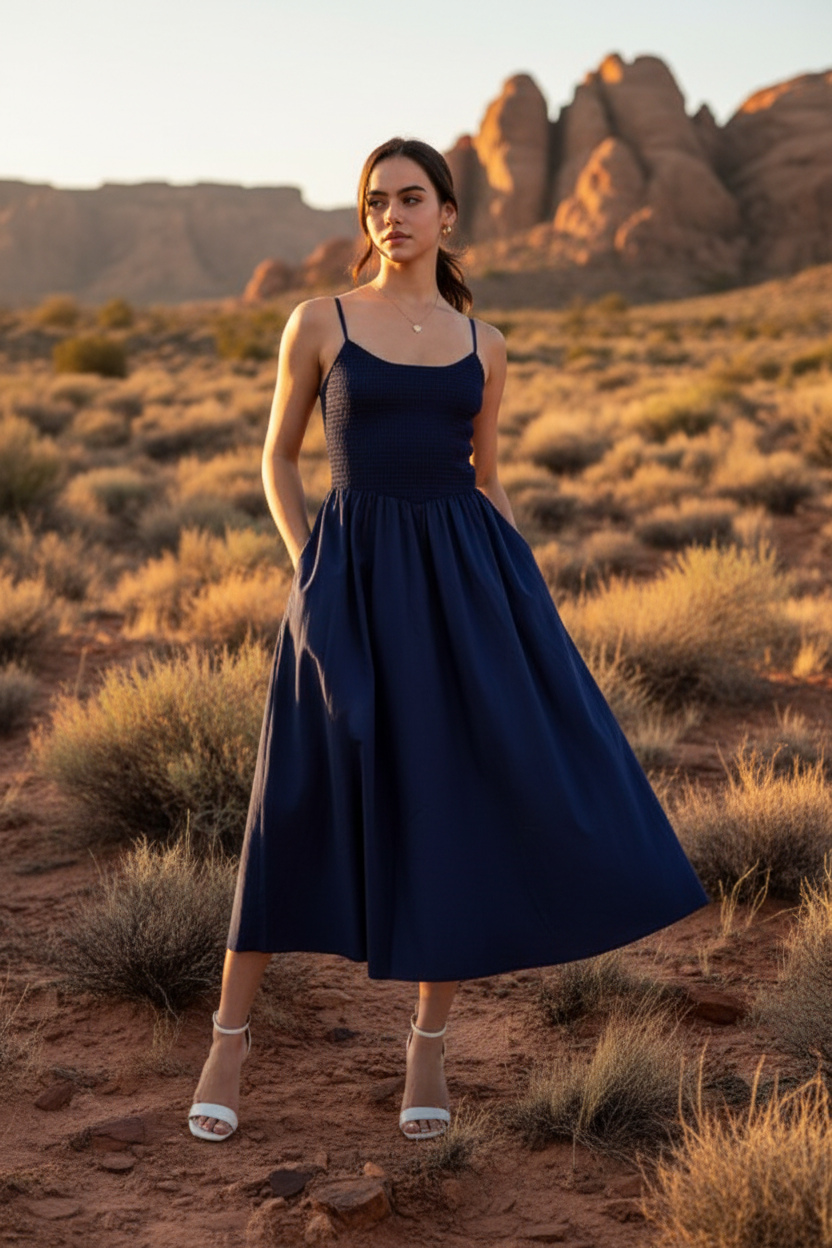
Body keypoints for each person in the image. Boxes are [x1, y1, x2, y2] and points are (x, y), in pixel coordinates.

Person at [187, 137, 709, 1145]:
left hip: (466, 585)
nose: (392, 215)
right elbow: (276, 461)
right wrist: (310, 573)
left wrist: (525, 592)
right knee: (291, 798)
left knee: (447, 803)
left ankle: (426, 1050)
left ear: (448, 215)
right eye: (376, 201)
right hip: (347, 580)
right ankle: (229, 1040)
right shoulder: (321, 322)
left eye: (411, 198)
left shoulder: (485, 345)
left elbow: (488, 477)